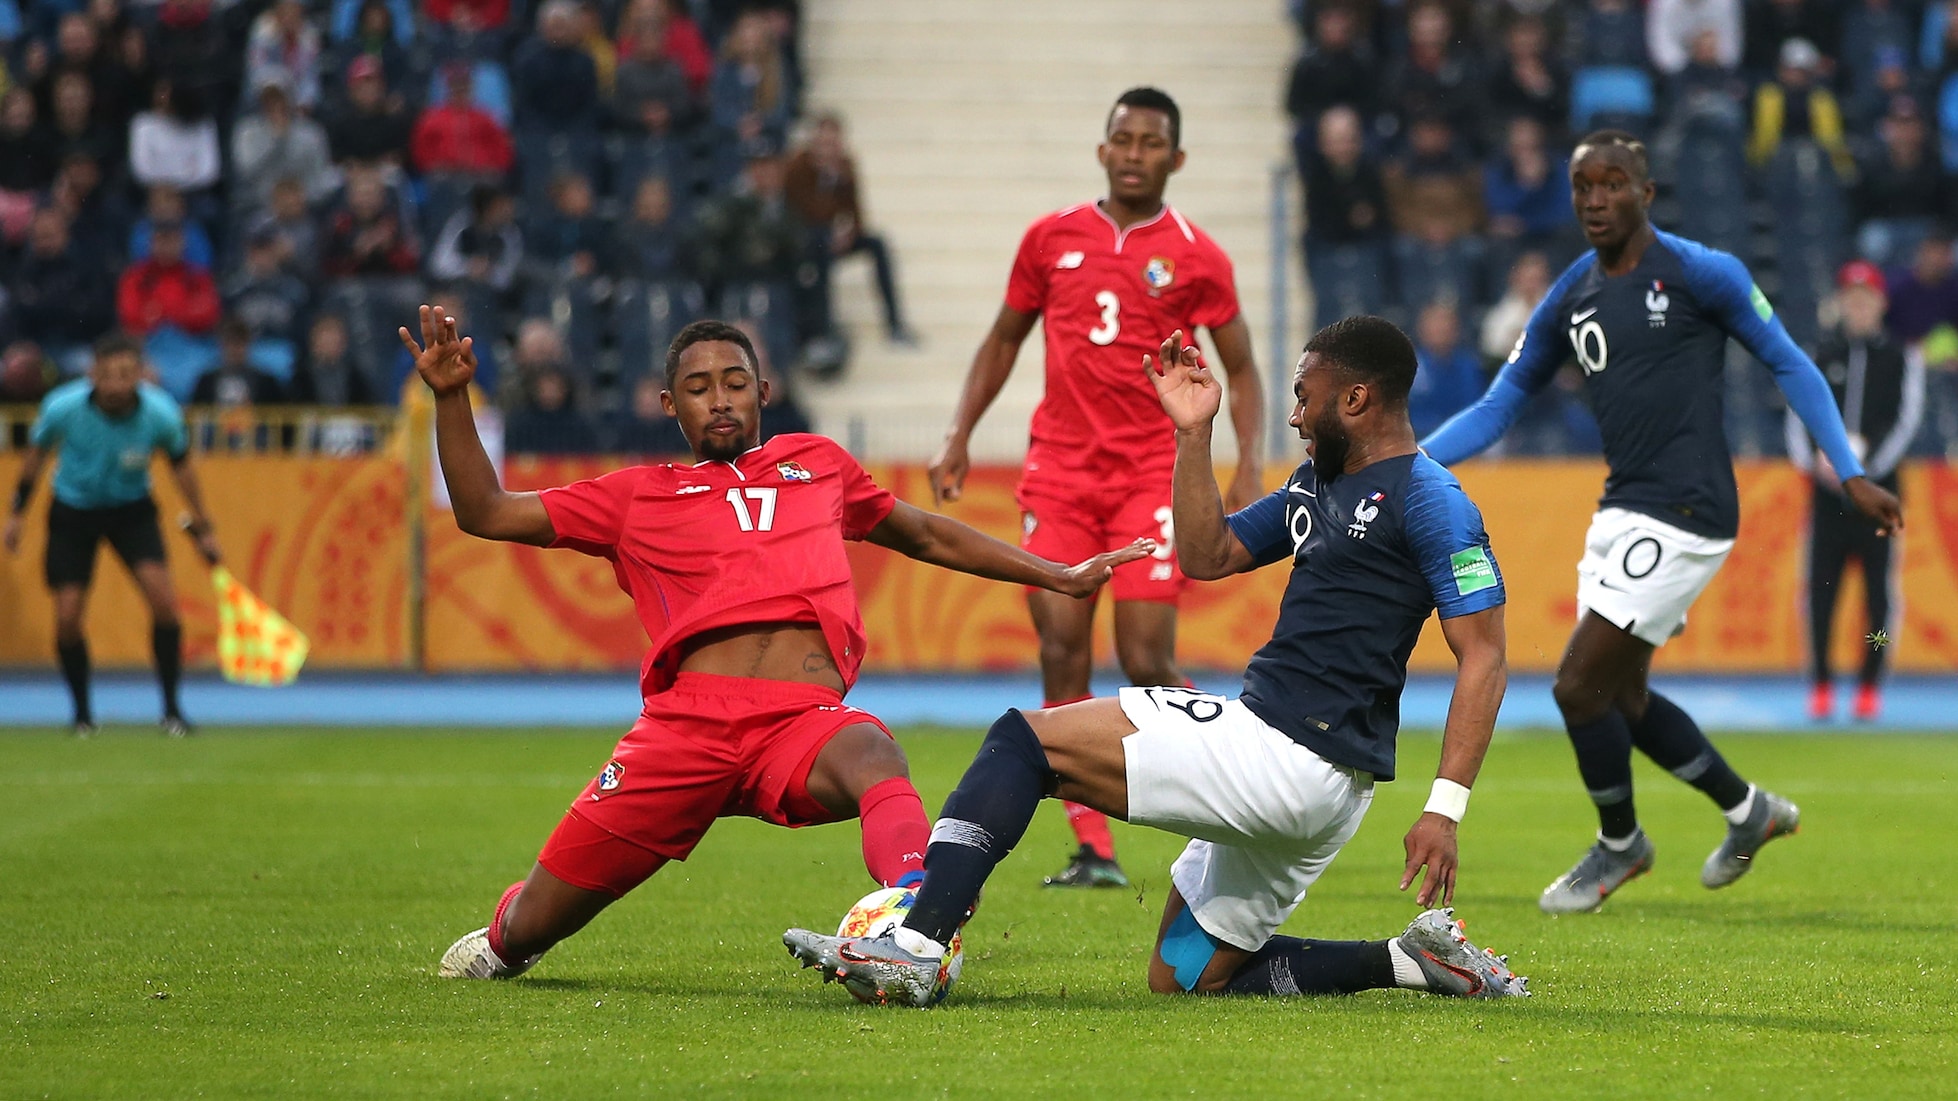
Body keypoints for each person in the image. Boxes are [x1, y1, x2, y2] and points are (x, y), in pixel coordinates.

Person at [784, 318, 1526, 1008]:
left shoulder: (1433, 498)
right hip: (1320, 788)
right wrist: (1194, 435)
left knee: (1023, 740)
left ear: (1356, 398)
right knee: (1185, 972)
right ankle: (1410, 961)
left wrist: (1444, 809)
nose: (1295, 416)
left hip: (1283, 754)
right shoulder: (1318, 482)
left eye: (1305, 396)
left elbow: (1484, 656)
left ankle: (914, 945)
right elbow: (1208, 554)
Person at [409, 310, 1149, 981]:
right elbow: (487, 511)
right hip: (682, 732)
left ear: (763, 390)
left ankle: (917, 927)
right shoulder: (636, 495)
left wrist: (1056, 572)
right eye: (699, 387)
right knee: (525, 931)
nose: (720, 397)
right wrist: (451, 397)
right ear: (671, 405)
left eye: (735, 382)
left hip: (800, 723)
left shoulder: (818, 466)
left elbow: (922, 531)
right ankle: (507, 934)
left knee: (873, 752)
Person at [1420, 131, 1905, 913]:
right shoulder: (1571, 292)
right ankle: (1749, 811)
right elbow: (1502, 402)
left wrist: (1849, 467)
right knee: (1621, 696)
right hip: (1622, 509)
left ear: (1646, 191)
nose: (1595, 199)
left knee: (1577, 685)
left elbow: (1788, 360)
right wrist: (1414, 464)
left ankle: (1621, 845)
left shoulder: (1702, 272)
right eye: (1583, 186)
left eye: (1613, 183)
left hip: (1690, 510)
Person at [927, 87, 1265, 889]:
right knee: (1061, 643)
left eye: (1153, 142)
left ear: (1175, 159)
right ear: (1103, 149)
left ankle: (1248, 761)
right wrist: (959, 432)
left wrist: (1249, 461)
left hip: (1152, 469)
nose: (1136, 152)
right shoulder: (1050, 238)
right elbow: (1003, 339)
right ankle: (1093, 846)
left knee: (1147, 655)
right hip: (1062, 471)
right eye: (1124, 138)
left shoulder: (1198, 254)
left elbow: (1243, 364)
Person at [4, 334, 222, 736]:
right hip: (74, 510)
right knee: (67, 618)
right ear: (93, 376)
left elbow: (181, 468)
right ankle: (82, 716)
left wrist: (204, 527)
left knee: (165, 606)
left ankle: (172, 711)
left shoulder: (161, 413)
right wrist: (17, 515)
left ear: (140, 375)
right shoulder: (63, 407)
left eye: (126, 375)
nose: (117, 385)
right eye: (108, 376)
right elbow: (35, 459)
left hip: (131, 510)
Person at [1787, 261, 1924, 722]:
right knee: (1821, 596)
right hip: (1828, 500)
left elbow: (1905, 422)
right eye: (1852, 298)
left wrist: (1863, 469)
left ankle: (1869, 680)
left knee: (1877, 601)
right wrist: (1819, 462)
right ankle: (1822, 681)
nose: (1860, 306)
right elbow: (1797, 416)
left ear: (1881, 303)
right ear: (1841, 302)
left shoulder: (1900, 356)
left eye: (1867, 298)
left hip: (1879, 502)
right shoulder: (1819, 354)